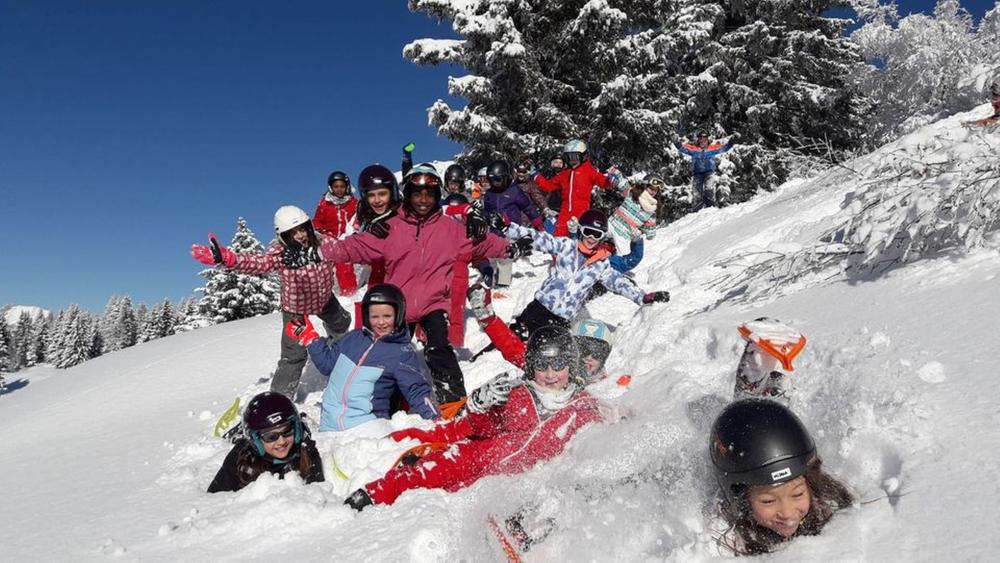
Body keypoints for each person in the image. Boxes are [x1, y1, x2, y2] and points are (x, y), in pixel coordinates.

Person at [317, 164, 529, 405]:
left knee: (439, 350)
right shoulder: (390, 228)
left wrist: (510, 248)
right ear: (407, 195)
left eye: (430, 194)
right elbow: (353, 247)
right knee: (387, 355)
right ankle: (386, 408)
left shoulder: (450, 229)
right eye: (417, 194)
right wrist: (318, 251)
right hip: (399, 306)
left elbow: (482, 242)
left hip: (434, 304)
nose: (423, 200)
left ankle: (454, 404)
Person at [343, 326, 603, 510]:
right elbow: (482, 426)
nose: (550, 374)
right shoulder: (519, 394)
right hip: (484, 457)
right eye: (542, 366)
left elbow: (599, 442)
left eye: (558, 366)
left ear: (570, 365)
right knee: (435, 469)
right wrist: (478, 405)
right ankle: (376, 491)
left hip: (526, 482)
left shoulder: (582, 407)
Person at [190, 206, 352, 397]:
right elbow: (259, 263)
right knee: (294, 354)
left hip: (324, 299)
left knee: (341, 324)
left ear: (309, 226)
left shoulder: (324, 244)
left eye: (302, 229)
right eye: (292, 233)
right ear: (282, 237)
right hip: (296, 309)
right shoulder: (281, 254)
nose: (300, 236)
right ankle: (280, 397)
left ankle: (338, 363)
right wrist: (227, 259)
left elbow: (347, 250)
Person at [475, 209, 671, 342]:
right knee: (515, 338)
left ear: (603, 237)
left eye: (597, 234)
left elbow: (619, 283)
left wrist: (642, 297)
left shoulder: (602, 264)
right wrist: (507, 227)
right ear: (580, 231)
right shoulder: (566, 246)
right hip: (540, 307)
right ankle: (489, 357)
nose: (591, 238)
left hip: (562, 319)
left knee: (544, 351)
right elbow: (540, 239)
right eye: (588, 232)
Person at [284, 284, 439, 434]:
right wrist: (309, 337)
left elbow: (416, 390)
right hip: (329, 428)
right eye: (375, 316)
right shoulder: (353, 339)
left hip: (367, 429)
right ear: (366, 316)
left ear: (398, 315)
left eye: (387, 316)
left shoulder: (401, 352)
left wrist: (434, 420)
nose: (381, 322)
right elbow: (327, 364)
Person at [710, 399, 854, 555]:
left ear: (810, 483)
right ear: (740, 498)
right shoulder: (724, 537)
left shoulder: (830, 505)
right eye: (768, 501)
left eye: (798, 494)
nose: (787, 514)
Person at [207, 392, 324, 493]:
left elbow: (316, 493)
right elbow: (215, 499)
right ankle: (238, 431)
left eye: (287, 431)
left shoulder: (305, 450)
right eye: (271, 437)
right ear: (256, 440)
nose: (281, 441)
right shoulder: (240, 457)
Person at [533, 140, 623, 236]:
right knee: (559, 235)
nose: (572, 160)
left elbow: (602, 181)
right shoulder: (565, 173)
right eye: (568, 157)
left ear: (583, 156)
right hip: (565, 210)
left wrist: (611, 180)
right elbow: (548, 186)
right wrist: (536, 176)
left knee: (577, 236)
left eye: (575, 157)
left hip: (581, 211)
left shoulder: (588, 170)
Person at [480, 160, 543, 288]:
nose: (495, 184)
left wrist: (538, 224)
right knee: (490, 256)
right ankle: (488, 277)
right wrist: (486, 218)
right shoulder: (489, 194)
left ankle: (503, 283)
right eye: (492, 180)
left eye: (498, 180)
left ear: (505, 178)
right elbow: (486, 211)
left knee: (505, 256)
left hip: (510, 230)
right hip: (494, 231)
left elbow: (528, 208)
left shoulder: (514, 191)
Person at [313, 170, 359, 296]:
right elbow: (317, 220)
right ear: (331, 188)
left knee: (343, 261)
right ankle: (324, 294)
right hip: (329, 238)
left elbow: (358, 218)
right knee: (322, 265)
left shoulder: (353, 203)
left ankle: (349, 292)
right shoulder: (324, 204)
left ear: (347, 187)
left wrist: (354, 229)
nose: (339, 189)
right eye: (336, 186)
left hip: (347, 238)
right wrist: (318, 230)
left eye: (342, 186)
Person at [607, 174, 660, 270]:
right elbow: (622, 183)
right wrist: (614, 174)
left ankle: (611, 270)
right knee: (596, 234)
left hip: (623, 235)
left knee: (622, 257)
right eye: (651, 188)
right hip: (612, 224)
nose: (653, 192)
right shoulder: (632, 193)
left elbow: (650, 234)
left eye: (655, 190)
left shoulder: (651, 210)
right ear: (645, 185)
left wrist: (642, 232)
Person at [673, 130, 735, 211]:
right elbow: (683, 148)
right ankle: (697, 209)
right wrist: (676, 142)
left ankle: (711, 207)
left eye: (705, 139)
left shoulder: (712, 148)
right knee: (697, 191)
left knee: (709, 187)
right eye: (701, 139)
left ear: (707, 139)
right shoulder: (694, 149)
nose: (703, 141)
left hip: (709, 172)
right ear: (698, 140)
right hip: (697, 173)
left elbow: (724, 148)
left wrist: (732, 141)